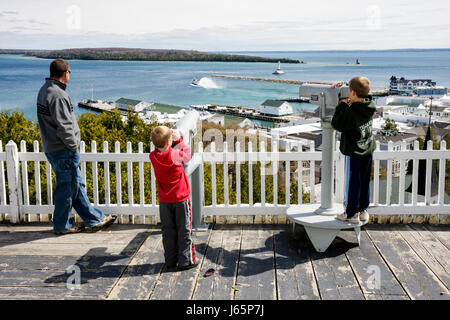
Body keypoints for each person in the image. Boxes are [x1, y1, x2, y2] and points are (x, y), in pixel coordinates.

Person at [37, 59, 116, 235]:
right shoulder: (58, 95)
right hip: (63, 149)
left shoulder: (44, 91)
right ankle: (61, 225)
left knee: (75, 185)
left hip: (53, 147)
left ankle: (94, 219)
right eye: (69, 72)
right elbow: (64, 126)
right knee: (66, 189)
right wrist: (73, 146)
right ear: (65, 73)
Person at [149, 126, 198, 271]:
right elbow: (188, 155)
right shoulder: (175, 155)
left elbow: (160, 149)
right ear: (170, 141)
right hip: (180, 199)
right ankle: (185, 261)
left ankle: (170, 260)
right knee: (184, 230)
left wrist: (167, 139)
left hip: (165, 201)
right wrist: (180, 140)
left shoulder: (153, 156)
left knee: (168, 230)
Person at [331, 76, 376, 224]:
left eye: (348, 90)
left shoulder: (351, 112)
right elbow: (361, 91)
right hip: (367, 149)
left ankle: (351, 214)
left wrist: (342, 105)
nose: (347, 92)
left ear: (353, 93)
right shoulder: (369, 104)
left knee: (353, 183)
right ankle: (362, 210)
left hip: (355, 152)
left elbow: (337, 124)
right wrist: (345, 86)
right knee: (364, 181)